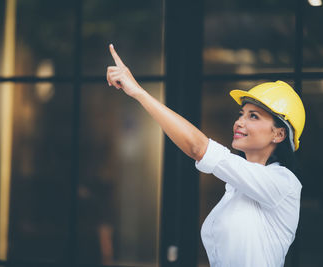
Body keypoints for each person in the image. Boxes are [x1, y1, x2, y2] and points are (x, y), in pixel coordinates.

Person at [106, 44, 305, 267]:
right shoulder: (235, 189)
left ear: (278, 134)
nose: (240, 121)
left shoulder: (283, 184)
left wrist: (138, 93)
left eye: (254, 116)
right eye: (241, 114)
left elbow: (198, 148)